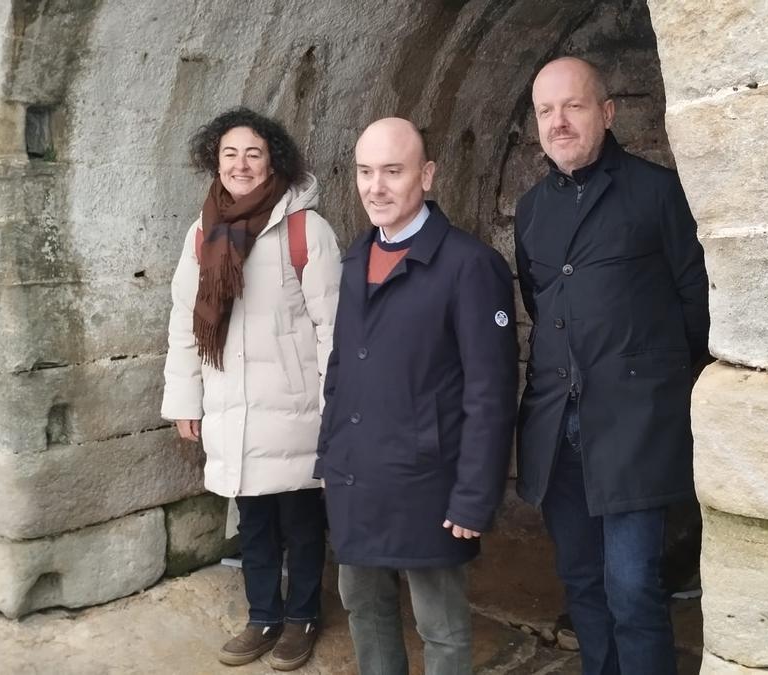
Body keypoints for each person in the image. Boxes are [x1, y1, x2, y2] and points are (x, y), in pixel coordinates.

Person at [513, 57, 711, 675]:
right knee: (582, 584)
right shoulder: (530, 209)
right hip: (557, 430)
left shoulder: (656, 193)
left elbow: (695, 302)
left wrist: (658, 386)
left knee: (632, 591)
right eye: (546, 111)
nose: (558, 122)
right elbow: (540, 304)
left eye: (572, 106)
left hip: (633, 427)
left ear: (606, 112)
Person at [316, 117, 517, 675]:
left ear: (426, 175)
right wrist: (330, 454)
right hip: (358, 475)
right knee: (363, 606)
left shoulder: (469, 266)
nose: (375, 187)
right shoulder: (356, 258)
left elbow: (491, 393)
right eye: (364, 172)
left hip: (428, 483)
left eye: (392, 171)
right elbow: (341, 367)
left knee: (442, 628)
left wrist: (475, 495)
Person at [161, 107, 341, 671]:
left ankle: (302, 616)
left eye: (253, 154)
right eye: (230, 154)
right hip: (231, 406)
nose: (240, 165)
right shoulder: (202, 232)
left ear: (274, 162)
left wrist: (338, 407)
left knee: (302, 520)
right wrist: (185, 400)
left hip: (294, 408)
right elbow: (186, 322)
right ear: (215, 161)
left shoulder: (304, 228)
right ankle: (263, 615)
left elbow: (334, 327)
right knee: (254, 522)